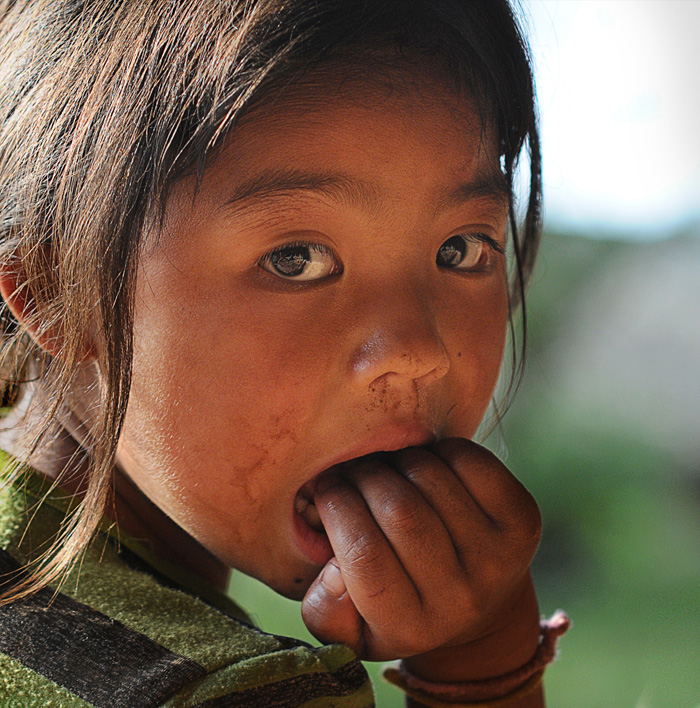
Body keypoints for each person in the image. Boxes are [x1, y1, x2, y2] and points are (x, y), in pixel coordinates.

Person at [0, 0, 569, 706]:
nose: (419, 354)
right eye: (296, 258)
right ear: (60, 293)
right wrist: (485, 668)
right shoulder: (231, 692)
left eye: (460, 250)